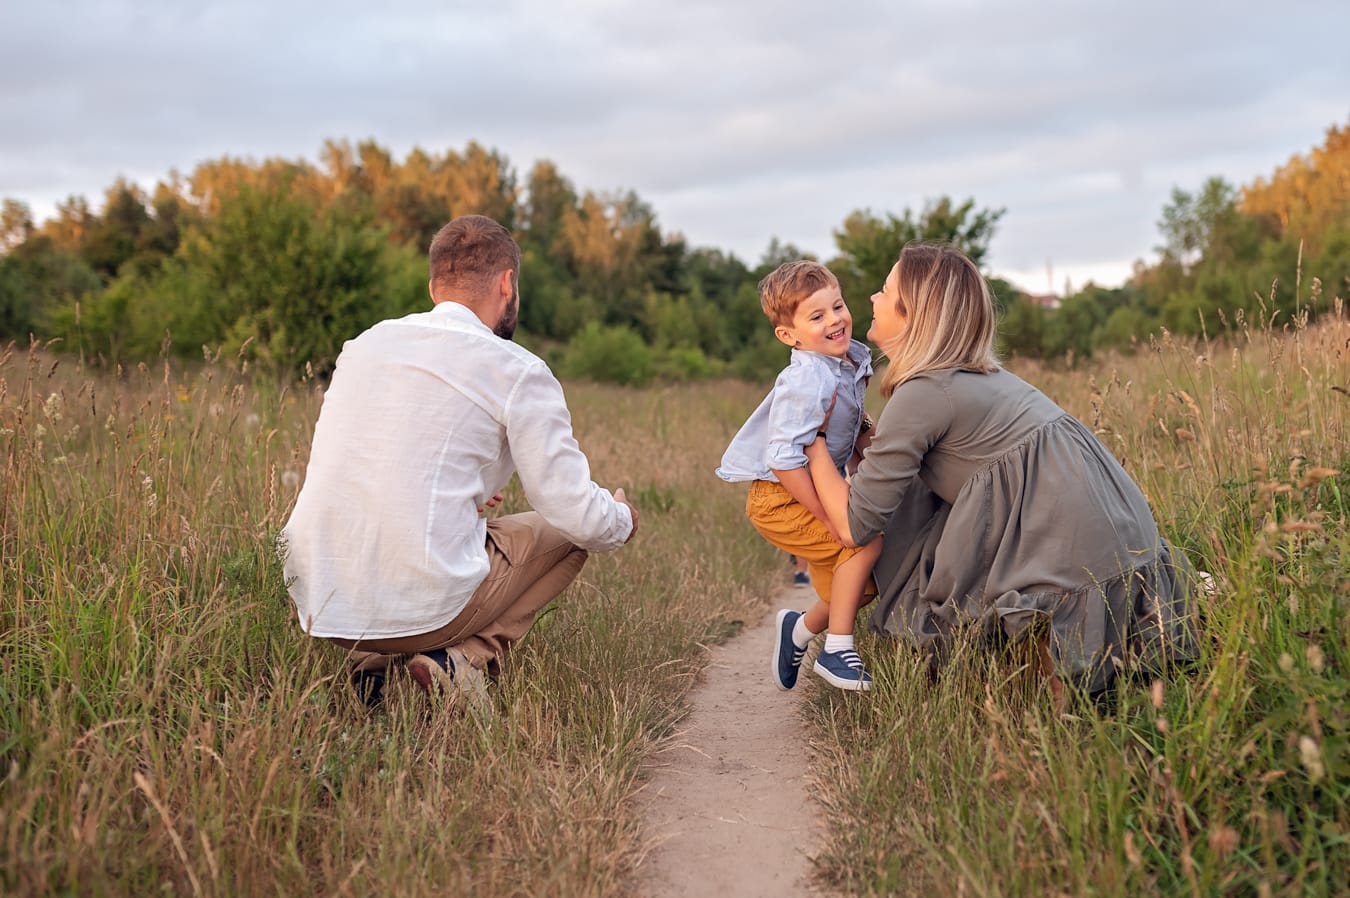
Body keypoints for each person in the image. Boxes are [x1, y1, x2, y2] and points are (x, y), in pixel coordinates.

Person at [804, 242, 1199, 701]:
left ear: (913, 314)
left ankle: (1045, 713)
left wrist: (810, 443)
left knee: (1077, 717)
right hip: (1124, 539)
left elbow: (856, 524)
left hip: (1077, 558)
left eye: (884, 290)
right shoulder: (979, 376)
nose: (871, 298)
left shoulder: (925, 391)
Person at [281, 214, 639, 710]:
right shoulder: (517, 369)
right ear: (507, 282)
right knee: (573, 535)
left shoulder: (363, 347)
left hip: (323, 602)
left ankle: (372, 665)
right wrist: (621, 519)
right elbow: (572, 508)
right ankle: (463, 658)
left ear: (433, 288)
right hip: (424, 608)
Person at [717, 260, 881, 692]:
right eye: (817, 316)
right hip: (780, 497)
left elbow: (845, 422)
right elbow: (783, 457)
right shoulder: (806, 375)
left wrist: (866, 433)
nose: (835, 320)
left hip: (809, 487)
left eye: (838, 306)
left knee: (865, 586)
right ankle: (837, 650)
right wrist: (829, 516)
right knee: (864, 540)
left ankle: (799, 630)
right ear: (789, 336)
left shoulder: (844, 361)